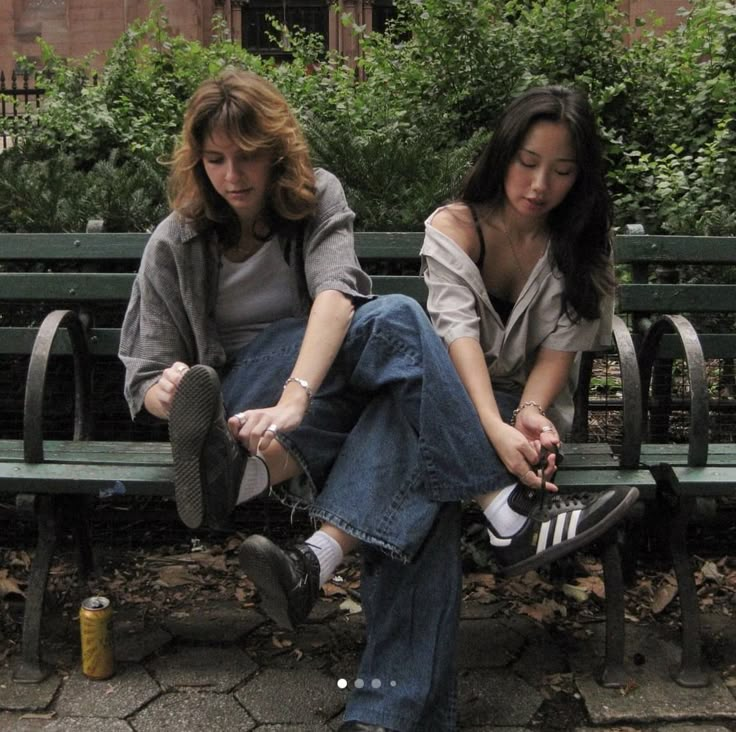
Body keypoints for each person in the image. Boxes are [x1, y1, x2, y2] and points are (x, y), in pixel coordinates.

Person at [118, 70, 636, 732]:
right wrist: (168, 392)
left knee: (412, 448)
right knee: (393, 318)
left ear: (276, 149)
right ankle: (505, 511)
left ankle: (338, 619)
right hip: (248, 403)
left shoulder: (315, 198)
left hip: (318, 407)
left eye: (247, 155)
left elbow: (336, 293)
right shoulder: (175, 241)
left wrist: (301, 398)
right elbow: (144, 372)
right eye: (215, 159)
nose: (233, 174)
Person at [420, 85, 637, 564]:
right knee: (399, 343)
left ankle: (317, 558)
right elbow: (458, 335)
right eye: (527, 162)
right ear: (502, 156)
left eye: (562, 171)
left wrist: (525, 413)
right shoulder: (455, 227)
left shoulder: (582, 242)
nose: (540, 185)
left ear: (579, 178)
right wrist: (489, 426)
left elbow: (559, 352)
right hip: (454, 392)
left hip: (523, 409)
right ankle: (509, 518)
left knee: (403, 420)